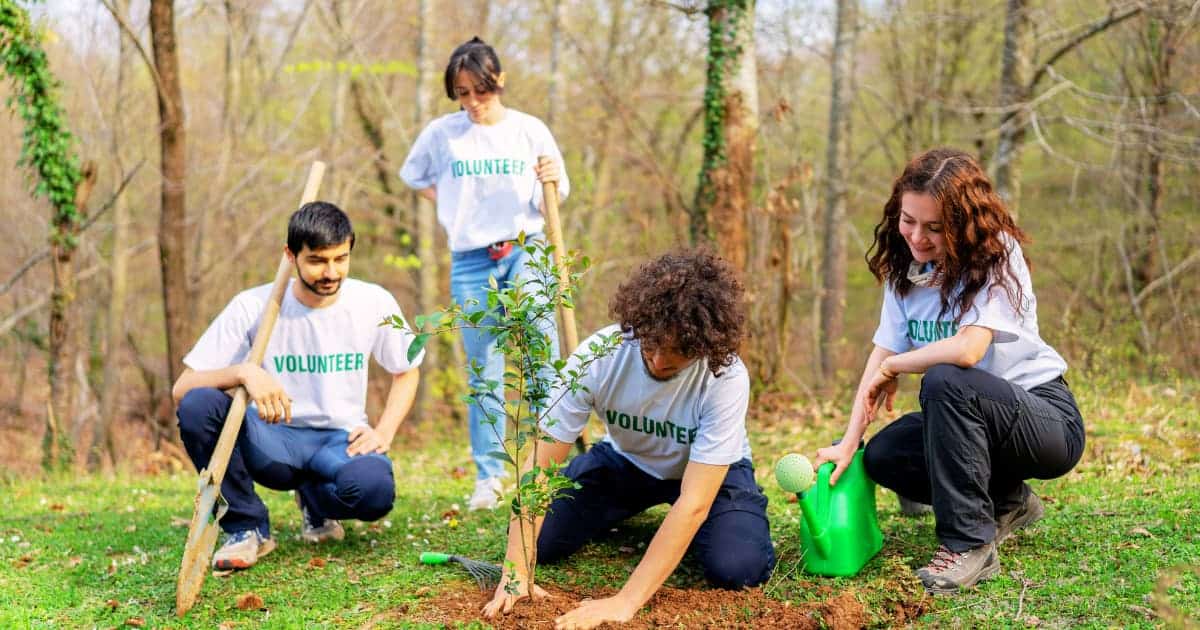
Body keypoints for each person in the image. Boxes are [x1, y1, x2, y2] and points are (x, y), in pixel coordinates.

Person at [813, 148, 1085, 594]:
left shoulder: (997, 256)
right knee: (885, 454)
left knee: (945, 380)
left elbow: (967, 351)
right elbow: (880, 352)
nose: (917, 237)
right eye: (908, 220)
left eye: (934, 227)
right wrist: (848, 442)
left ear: (961, 224)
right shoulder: (906, 271)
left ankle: (968, 545)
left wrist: (898, 366)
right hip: (972, 420)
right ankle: (1008, 501)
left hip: (1045, 420)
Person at [483, 250, 776, 629]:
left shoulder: (726, 377)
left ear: (704, 343)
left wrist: (625, 601)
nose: (658, 360)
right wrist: (515, 573)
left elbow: (694, 502)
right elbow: (537, 467)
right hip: (626, 461)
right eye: (650, 343)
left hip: (707, 475)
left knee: (738, 567)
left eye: (679, 352)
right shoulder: (599, 355)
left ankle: (714, 528)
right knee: (542, 542)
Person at [172, 202, 424, 571]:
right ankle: (246, 528)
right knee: (198, 406)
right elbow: (183, 387)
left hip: (340, 439)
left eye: (341, 259)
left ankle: (316, 503)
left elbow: (407, 369)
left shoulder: (373, 302)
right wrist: (244, 372)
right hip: (273, 441)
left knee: (374, 491)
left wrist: (384, 430)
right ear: (290, 256)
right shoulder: (253, 305)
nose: (331, 272)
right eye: (318, 260)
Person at [399, 36, 570, 511]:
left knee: (541, 350)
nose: (473, 102)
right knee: (484, 372)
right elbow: (414, 176)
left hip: (525, 248)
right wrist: (451, 205)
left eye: (482, 91)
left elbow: (553, 198)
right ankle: (490, 478)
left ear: (500, 83)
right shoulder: (442, 134)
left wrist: (551, 178)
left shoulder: (529, 130)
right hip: (472, 260)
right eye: (462, 93)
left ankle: (545, 468)